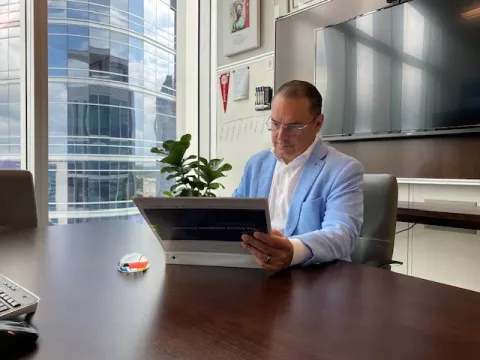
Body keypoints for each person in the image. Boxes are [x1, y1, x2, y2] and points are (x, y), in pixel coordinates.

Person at [233, 80, 364, 271]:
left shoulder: (343, 169)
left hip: (314, 278)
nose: (280, 136)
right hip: (255, 270)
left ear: (318, 123)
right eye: (275, 124)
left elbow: (342, 234)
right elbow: (235, 216)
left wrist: (292, 251)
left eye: (294, 127)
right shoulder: (257, 164)